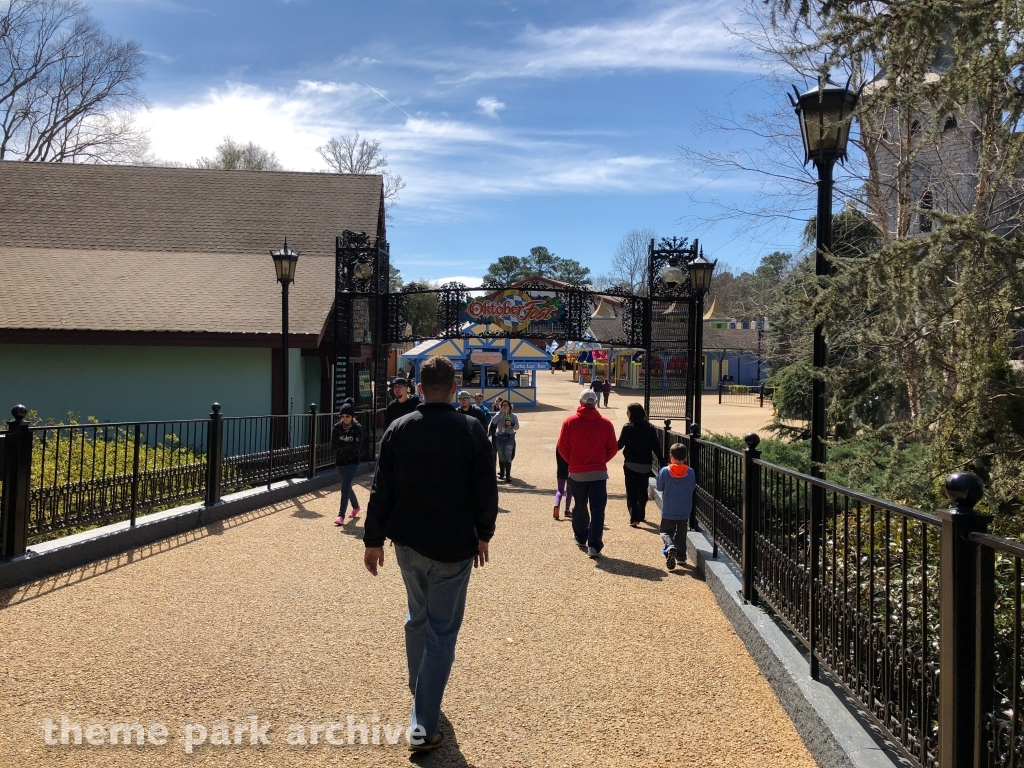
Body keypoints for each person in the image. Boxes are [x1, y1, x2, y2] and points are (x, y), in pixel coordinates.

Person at [363, 355, 498, 752]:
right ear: (454, 388)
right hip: (454, 545)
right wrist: (484, 534)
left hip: (408, 542)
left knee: (417, 616)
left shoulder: (399, 428)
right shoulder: (471, 429)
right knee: (442, 631)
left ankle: (419, 687)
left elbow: (381, 489)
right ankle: (423, 723)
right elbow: (486, 488)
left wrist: (373, 539)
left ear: (419, 389)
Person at [556, 389, 618, 558]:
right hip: (598, 472)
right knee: (598, 509)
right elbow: (613, 448)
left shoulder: (569, 422)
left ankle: (581, 536)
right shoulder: (606, 423)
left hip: (577, 471)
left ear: (580, 402)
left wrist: (572, 462)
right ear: (596, 402)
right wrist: (602, 461)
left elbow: (562, 447)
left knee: (580, 505)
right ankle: (594, 544)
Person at [617, 403, 665, 527]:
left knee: (631, 491)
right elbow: (656, 447)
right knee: (643, 490)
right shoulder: (650, 427)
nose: (627, 414)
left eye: (628, 412)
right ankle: (641, 513)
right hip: (645, 464)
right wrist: (662, 462)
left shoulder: (628, 427)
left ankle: (634, 517)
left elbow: (619, 445)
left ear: (632, 413)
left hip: (630, 463)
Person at [656, 443, 696, 570]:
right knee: (681, 533)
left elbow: (659, 487)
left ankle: (670, 546)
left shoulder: (665, 471)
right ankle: (681, 557)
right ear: (686, 457)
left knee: (665, 531)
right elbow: (692, 487)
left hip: (669, 507)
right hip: (684, 508)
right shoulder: (690, 472)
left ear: (671, 457)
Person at [331, 398, 364, 524]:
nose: (344, 419)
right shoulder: (337, 427)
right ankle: (356, 506)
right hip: (340, 460)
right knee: (347, 485)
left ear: (352, 417)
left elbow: (357, 447)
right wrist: (346, 445)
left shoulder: (358, 428)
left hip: (353, 461)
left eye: (347, 416)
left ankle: (341, 515)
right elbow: (333, 445)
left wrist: (342, 445)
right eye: (342, 416)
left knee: (344, 486)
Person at [489, 400, 519, 481]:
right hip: (499, 438)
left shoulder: (513, 416)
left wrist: (511, 424)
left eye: (506, 405)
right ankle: (502, 473)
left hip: (509, 438)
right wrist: (499, 413)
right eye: (503, 405)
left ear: (510, 407)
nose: (505, 407)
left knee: (508, 456)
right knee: (501, 456)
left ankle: (508, 476)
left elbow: (517, 427)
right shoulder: (499, 415)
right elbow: (493, 421)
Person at [553, 448, 572, 520]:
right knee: (569, 490)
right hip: (570, 470)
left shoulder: (559, 446)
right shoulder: (571, 445)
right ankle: (567, 510)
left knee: (560, 490)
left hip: (561, 470)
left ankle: (557, 505)